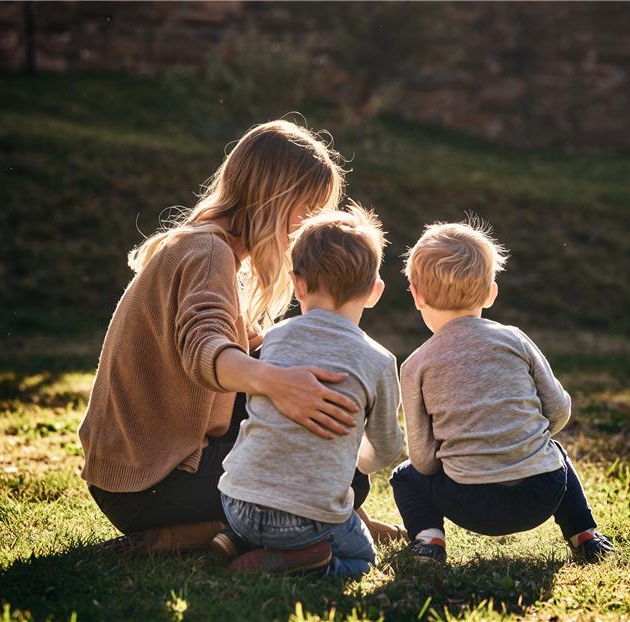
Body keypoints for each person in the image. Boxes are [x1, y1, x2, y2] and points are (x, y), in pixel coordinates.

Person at [78, 120, 398, 554]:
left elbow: (254, 349)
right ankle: (210, 532)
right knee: (342, 470)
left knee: (314, 436)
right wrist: (280, 384)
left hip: (133, 477)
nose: (311, 227)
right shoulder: (209, 252)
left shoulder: (207, 249)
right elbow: (204, 349)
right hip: (153, 480)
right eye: (309, 210)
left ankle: (323, 519)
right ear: (274, 198)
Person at [389, 220, 615, 563]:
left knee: (404, 477)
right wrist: (523, 442)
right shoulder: (515, 340)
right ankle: (584, 533)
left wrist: (463, 457)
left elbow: (421, 458)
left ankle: (429, 540)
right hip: (543, 492)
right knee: (554, 451)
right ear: (491, 292)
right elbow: (558, 410)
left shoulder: (415, 365)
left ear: (416, 294)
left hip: (471, 503)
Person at [214, 205, 404, 576]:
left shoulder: (274, 338)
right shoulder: (379, 360)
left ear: (297, 283)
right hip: (306, 519)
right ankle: (294, 561)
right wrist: (356, 460)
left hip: (236, 502)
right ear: (375, 291)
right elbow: (385, 447)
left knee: (263, 498)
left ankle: (238, 537)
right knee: (363, 561)